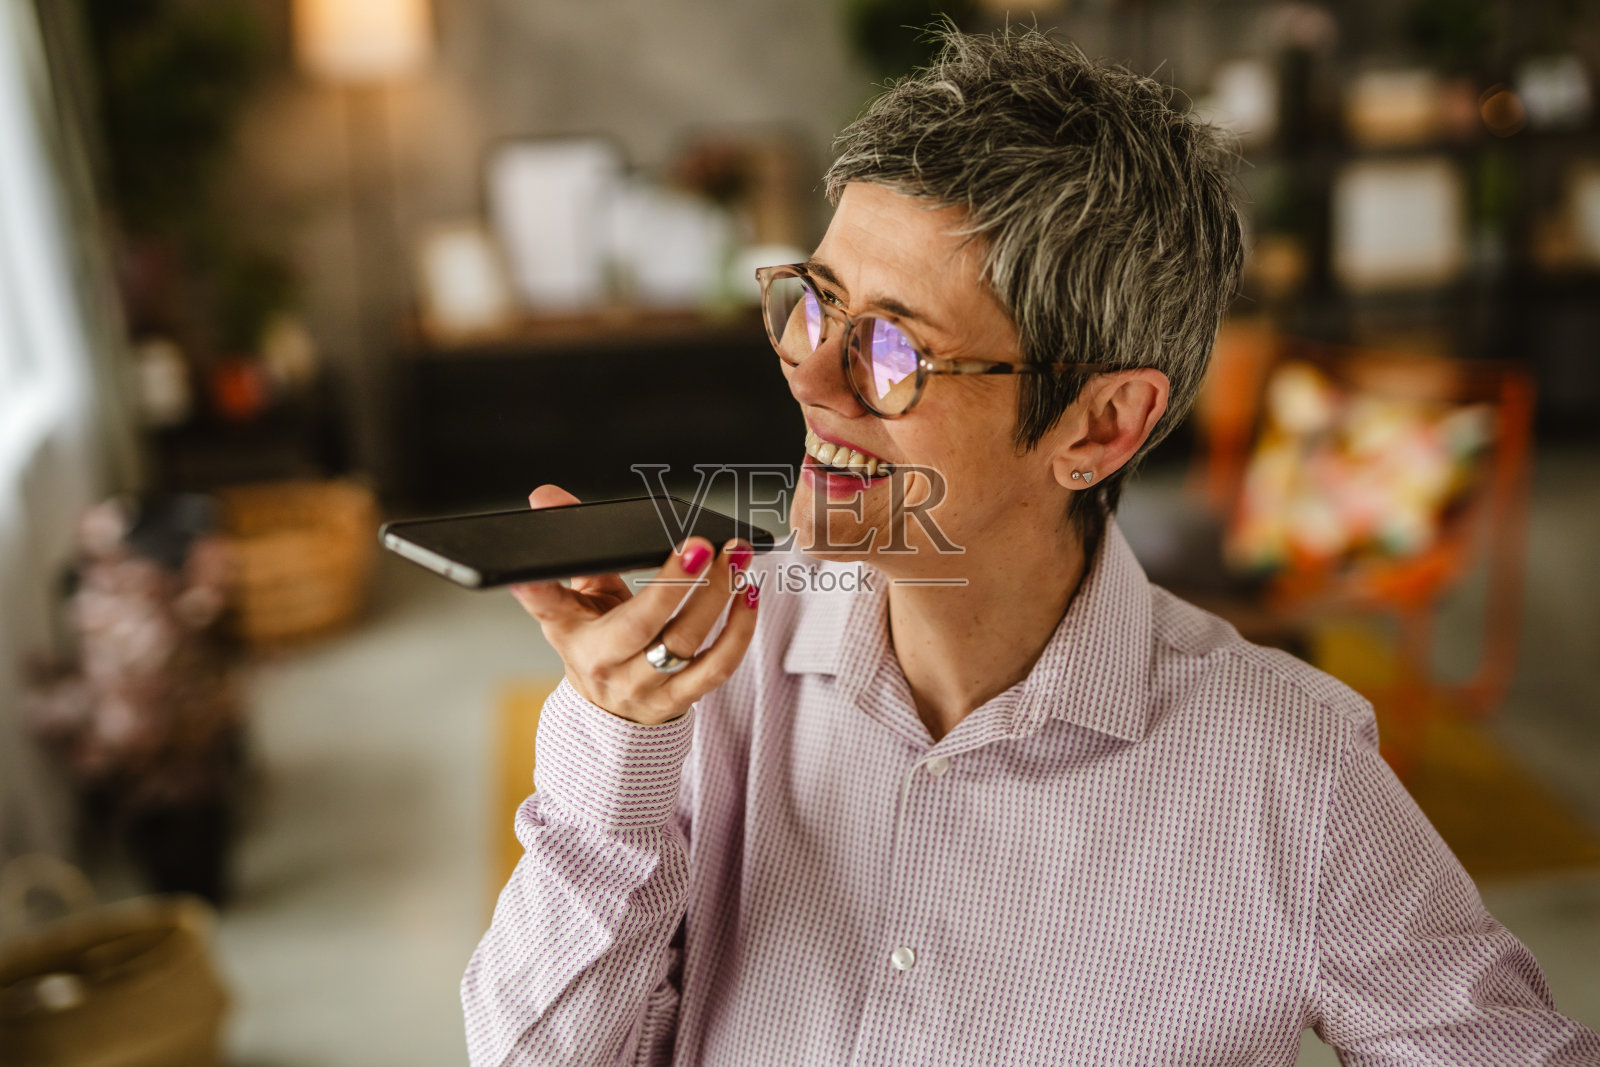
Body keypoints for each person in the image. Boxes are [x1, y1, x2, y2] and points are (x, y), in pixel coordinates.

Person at [461, 26, 1600, 1067]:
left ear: (1100, 426)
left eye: (893, 351)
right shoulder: (700, 682)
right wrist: (615, 749)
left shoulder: (1288, 775)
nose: (809, 376)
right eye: (814, 302)